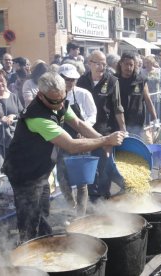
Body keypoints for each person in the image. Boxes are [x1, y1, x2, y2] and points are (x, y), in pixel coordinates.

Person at [2, 72, 125, 242]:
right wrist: (105, 139)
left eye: (63, 98)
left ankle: (45, 243)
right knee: (29, 218)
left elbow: (79, 124)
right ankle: (27, 250)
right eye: (55, 101)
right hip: (24, 172)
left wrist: (103, 141)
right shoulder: (37, 117)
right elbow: (71, 145)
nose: (60, 105)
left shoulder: (58, 103)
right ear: (40, 95)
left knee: (43, 210)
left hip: (41, 170)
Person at [56, 64, 97, 216]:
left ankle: (81, 214)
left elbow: (92, 115)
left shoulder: (83, 94)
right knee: (62, 177)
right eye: (67, 79)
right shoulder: (54, 96)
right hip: (61, 140)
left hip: (80, 140)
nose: (70, 82)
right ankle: (71, 205)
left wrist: (84, 130)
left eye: (73, 79)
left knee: (82, 181)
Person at [77, 50, 125, 135]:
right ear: (89, 63)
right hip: (86, 128)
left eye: (104, 64)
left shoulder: (112, 81)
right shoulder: (81, 81)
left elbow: (118, 107)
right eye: (98, 64)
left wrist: (122, 128)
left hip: (106, 128)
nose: (102, 67)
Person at [116, 52, 157, 137]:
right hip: (118, 120)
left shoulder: (140, 80)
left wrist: (154, 118)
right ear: (121, 64)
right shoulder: (114, 80)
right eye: (126, 64)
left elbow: (148, 100)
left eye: (131, 65)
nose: (128, 67)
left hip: (136, 121)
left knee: (135, 145)